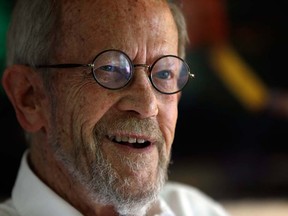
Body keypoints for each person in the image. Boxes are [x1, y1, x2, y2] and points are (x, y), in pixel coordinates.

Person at [0, 0, 230, 215]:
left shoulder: (199, 210)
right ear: (28, 97)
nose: (148, 105)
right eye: (109, 69)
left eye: (164, 73)